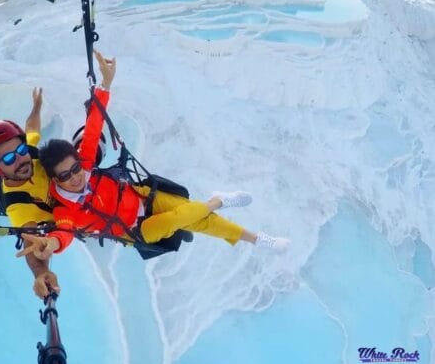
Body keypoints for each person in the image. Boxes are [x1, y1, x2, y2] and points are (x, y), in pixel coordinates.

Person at [17, 52, 291, 261]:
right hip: (136, 230)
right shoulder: (65, 209)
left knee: (201, 222)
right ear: (55, 180)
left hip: (142, 197)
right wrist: (51, 244)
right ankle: (218, 200)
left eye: (75, 168)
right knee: (178, 219)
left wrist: (106, 83)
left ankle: (255, 239)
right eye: (65, 176)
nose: (76, 177)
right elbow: (64, 232)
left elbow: (93, 127)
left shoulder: (85, 164)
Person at [0, 87, 59, 299]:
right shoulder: (18, 204)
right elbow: (30, 242)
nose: (21, 160)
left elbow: (32, 128)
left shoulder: (30, 153)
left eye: (21, 151)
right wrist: (41, 273)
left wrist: (37, 106)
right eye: (9, 160)